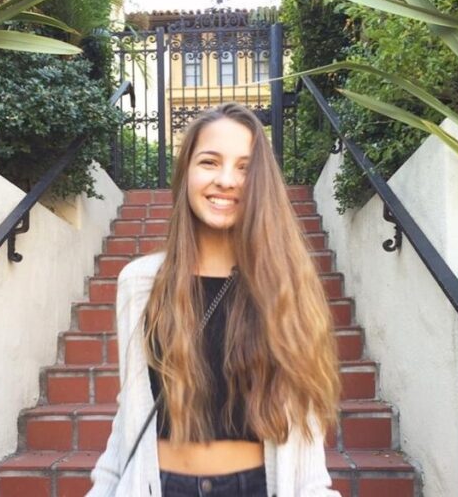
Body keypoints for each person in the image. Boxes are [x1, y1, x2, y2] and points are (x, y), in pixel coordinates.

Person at [87, 102, 341, 497]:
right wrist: (103, 488)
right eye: (209, 162)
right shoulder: (140, 283)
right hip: (159, 487)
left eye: (244, 168)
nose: (226, 180)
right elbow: (132, 407)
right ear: (186, 172)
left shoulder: (283, 284)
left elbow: (302, 422)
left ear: (261, 183)